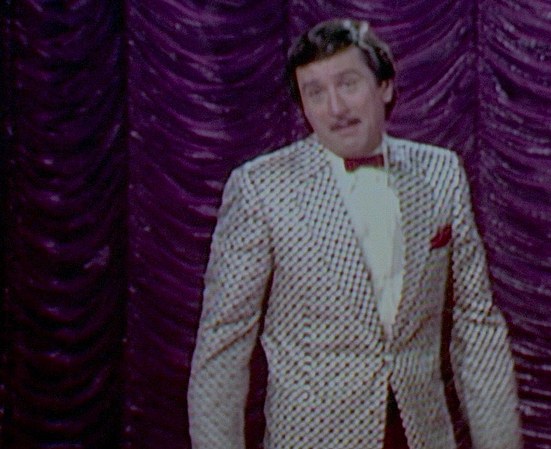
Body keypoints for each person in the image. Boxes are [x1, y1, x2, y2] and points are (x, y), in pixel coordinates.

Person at [187, 18, 522, 449]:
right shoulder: (261, 188)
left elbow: (477, 326)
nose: (335, 108)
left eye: (348, 84)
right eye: (315, 93)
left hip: (423, 436)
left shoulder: (441, 173)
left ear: (384, 86)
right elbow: (223, 345)